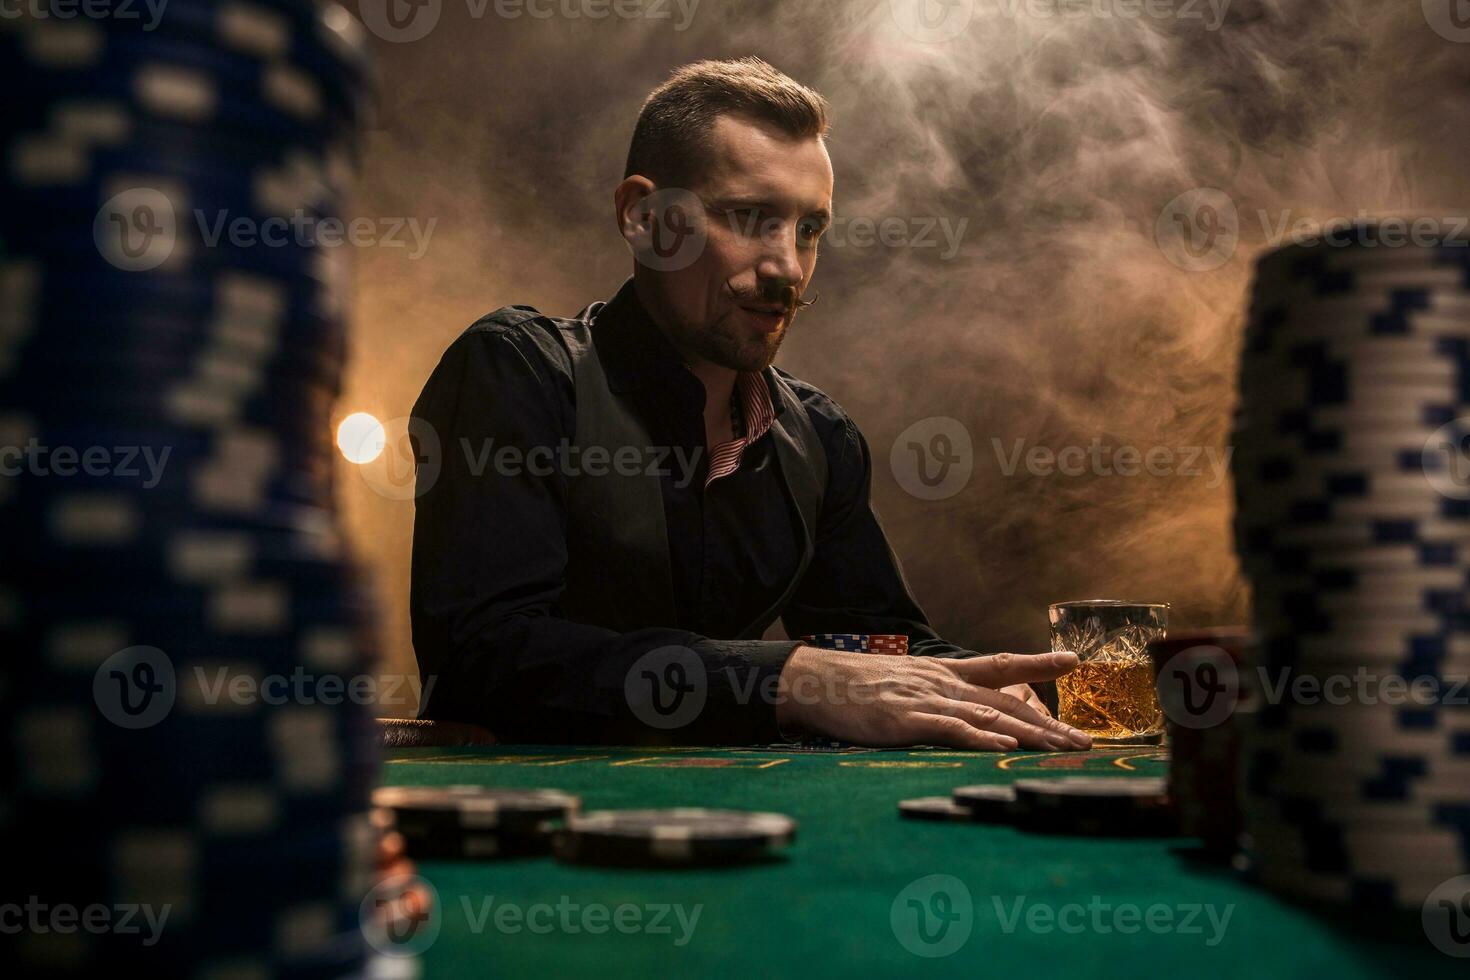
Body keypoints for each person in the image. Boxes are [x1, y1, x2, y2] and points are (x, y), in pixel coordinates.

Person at [409, 57, 1090, 751]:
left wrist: (991, 691)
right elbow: (479, 661)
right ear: (642, 218)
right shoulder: (518, 369)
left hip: (745, 836)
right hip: (531, 840)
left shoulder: (822, 438)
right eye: (749, 216)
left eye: (809, 230)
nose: (787, 268)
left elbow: (884, 649)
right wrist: (786, 679)